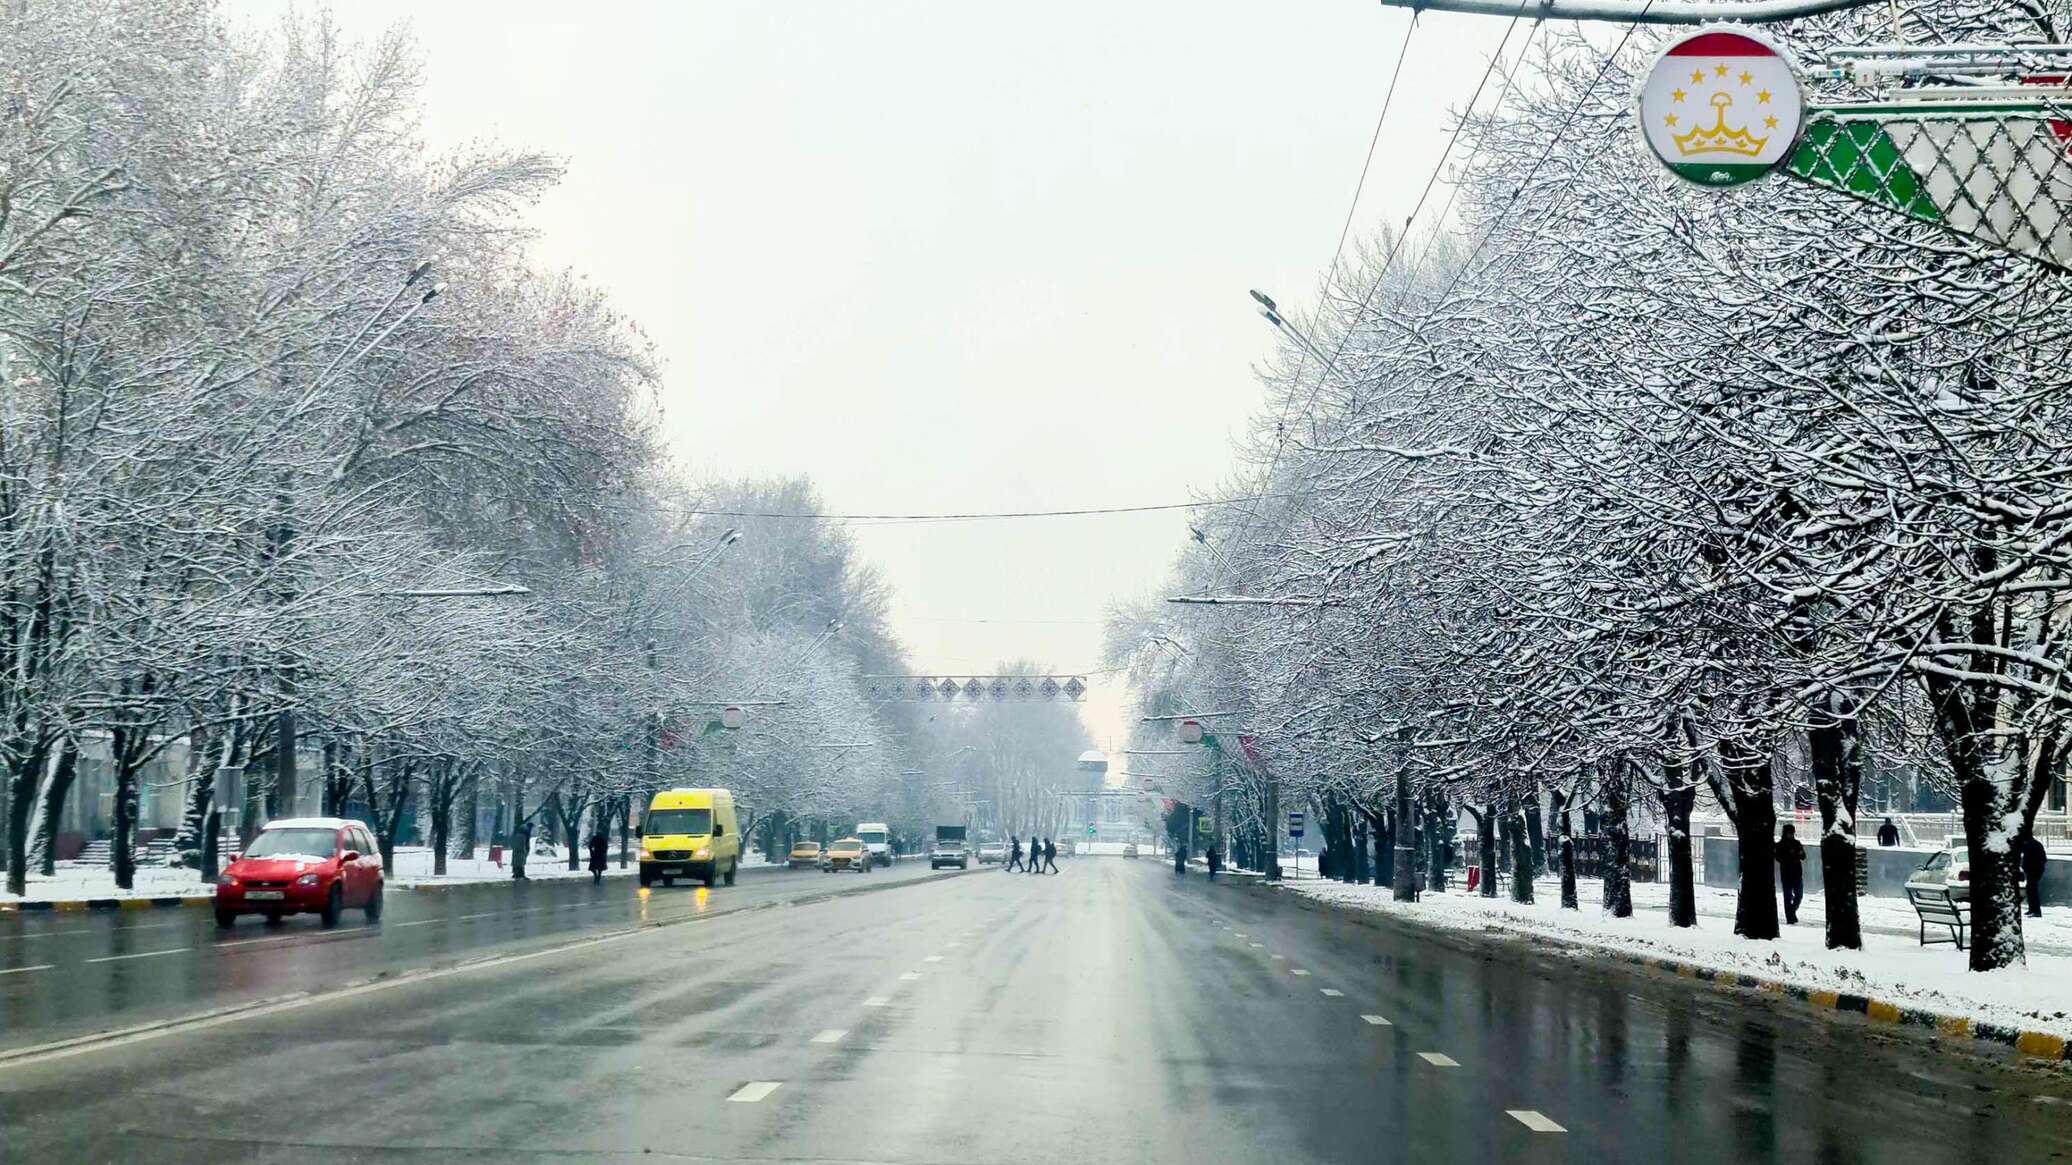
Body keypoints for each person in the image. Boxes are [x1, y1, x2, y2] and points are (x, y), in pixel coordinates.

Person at [1776, 824, 1806, 925]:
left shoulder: (1797, 843)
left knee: (1799, 895)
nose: (1791, 835)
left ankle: (1791, 913)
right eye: (1789, 833)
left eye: (1792, 833)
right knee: (1788, 897)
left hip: (1797, 873)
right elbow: (1778, 858)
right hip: (1786, 873)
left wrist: (1797, 854)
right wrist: (1791, 856)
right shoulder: (1780, 845)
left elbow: (1803, 856)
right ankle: (1790, 917)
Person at [2022, 831, 2048, 918]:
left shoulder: (2030, 845)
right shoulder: (2034, 844)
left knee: (2032, 890)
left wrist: (2031, 867)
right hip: (2034, 870)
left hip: (2033, 871)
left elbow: (2041, 859)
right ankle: (2032, 909)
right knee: (2030, 889)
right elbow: (2044, 859)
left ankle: (2036, 911)